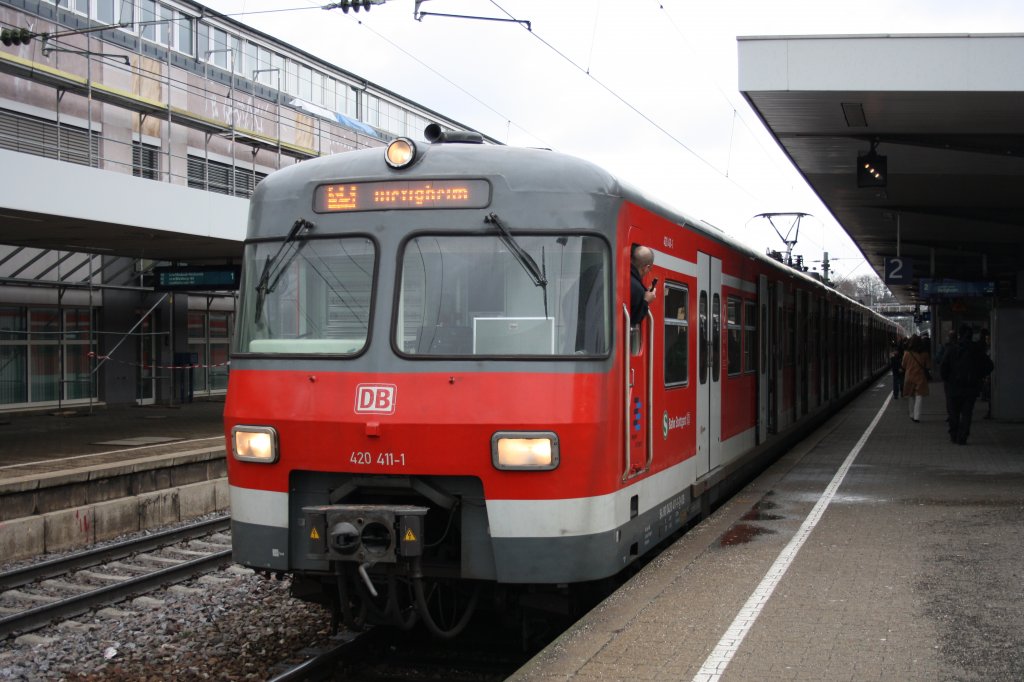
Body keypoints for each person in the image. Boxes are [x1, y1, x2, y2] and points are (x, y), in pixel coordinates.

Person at [941, 325, 994, 445]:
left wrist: (948, 380)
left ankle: (954, 434)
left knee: (953, 412)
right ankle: (963, 437)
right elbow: (989, 366)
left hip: (953, 387)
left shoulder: (952, 349)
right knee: (967, 413)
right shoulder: (977, 350)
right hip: (971, 388)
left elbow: (943, 368)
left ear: (959, 335)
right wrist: (979, 376)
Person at [900, 334, 931, 422]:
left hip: (909, 377)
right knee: (919, 396)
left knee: (911, 396)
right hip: (920, 377)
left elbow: (903, 365)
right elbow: (928, 366)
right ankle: (917, 417)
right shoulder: (925, 354)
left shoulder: (907, 353)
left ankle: (911, 414)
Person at [630, 244, 656, 326]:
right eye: (649, 269)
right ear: (646, 267)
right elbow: (634, 321)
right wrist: (646, 300)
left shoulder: (622, 275)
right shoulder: (638, 289)